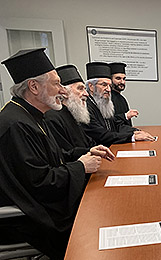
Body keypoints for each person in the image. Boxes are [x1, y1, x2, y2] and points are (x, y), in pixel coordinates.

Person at [0, 48, 108, 259]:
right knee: (97, 221)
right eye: (57, 83)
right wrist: (81, 166)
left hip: (39, 204)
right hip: (28, 219)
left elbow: (55, 155)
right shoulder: (15, 124)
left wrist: (86, 152)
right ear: (33, 86)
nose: (62, 90)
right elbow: (40, 183)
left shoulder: (33, 115)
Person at [82, 62, 154, 146]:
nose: (108, 89)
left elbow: (115, 125)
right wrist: (131, 137)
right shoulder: (86, 107)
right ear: (91, 86)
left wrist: (134, 132)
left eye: (109, 85)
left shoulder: (102, 102)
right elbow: (101, 135)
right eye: (104, 85)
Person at [45, 64, 104, 153]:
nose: (86, 94)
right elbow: (65, 153)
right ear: (64, 93)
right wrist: (90, 151)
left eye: (85, 89)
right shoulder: (53, 117)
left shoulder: (74, 113)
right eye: (80, 89)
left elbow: (88, 142)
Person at [109, 62, 138, 126]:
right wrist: (125, 116)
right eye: (118, 78)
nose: (122, 82)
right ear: (110, 80)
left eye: (124, 79)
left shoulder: (122, 98)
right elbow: (109, 123)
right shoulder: (107, 98)